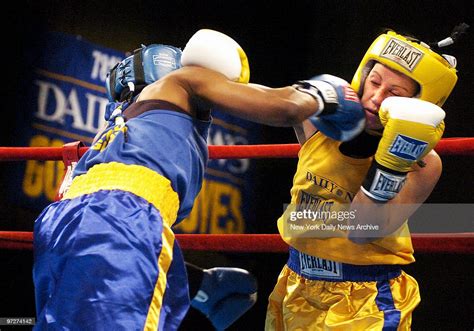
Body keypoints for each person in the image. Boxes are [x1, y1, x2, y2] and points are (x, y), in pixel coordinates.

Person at [32, 29, 364, 330]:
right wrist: (323, 93)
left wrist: (194, 284)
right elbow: (285, 106)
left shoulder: (128, 121)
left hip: (63, 222)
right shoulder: (185, 80)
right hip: (123, 219)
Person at [265, 28, 460, 330]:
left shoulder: (424, 164)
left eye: (395, 93)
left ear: (419, 103)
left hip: (364, 299)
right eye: (375, 81)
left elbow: (362, 228)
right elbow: (272, 106)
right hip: (295, 285)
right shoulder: (319, 120)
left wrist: (394, 158)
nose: (376, 98)